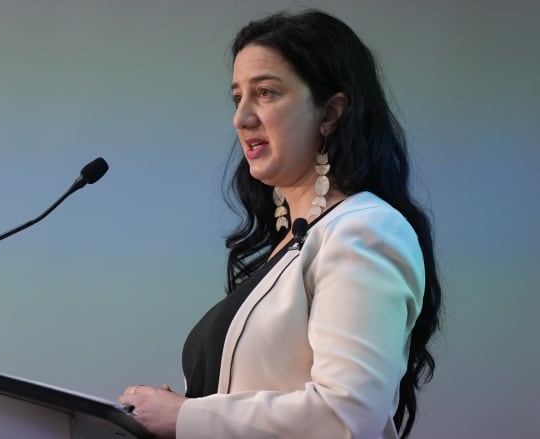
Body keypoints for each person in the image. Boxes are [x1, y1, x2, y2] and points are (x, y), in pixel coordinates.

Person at [118, 9, 442, 439]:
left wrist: (185, 417)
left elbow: (348, 417)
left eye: (266, 93)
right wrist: (171, 412)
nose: (242, 117)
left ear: (330, 112)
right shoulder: (294, 240)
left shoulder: (365, 230)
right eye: (238, 98)